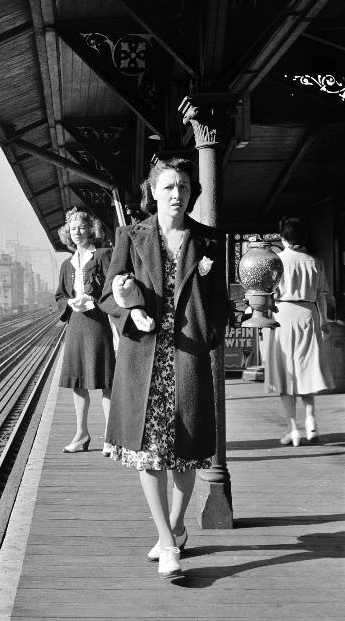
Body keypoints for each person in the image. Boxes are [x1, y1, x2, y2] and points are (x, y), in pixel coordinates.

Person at [100, 157, 229, 579]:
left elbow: (219, 302)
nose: (178, 194)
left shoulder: (209, 241)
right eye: (169, 186)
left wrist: (212, 332)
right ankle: (169, 543)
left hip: (188, 358)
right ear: (153, 192)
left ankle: (173, 527)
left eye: (185, 187)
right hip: (144, 360)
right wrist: (128, 314)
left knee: (185, 456)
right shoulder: (130, 236)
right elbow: (108, 296)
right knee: (150, 455)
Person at [263, 216, 333, 446]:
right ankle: (312, 422)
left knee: (285, 375)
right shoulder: (316, 262)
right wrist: (323, 321)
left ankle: (293, 430)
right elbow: (323, 295)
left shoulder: (276, 262)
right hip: (308, 314)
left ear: (283, 237)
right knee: (307, 371)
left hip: (282, 315)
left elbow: (268, 296)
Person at [55, 207, 115, 455]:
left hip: (98, 322)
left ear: (91, 229)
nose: (77, 232)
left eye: (81, 227)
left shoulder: (102, 255)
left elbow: (113, 287)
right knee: (78, 382)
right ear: (67, 233)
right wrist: (69, 303)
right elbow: (59, 295)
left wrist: (95, 299)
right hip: (76, 325)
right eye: (72, 228)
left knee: (104, 381)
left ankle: (111, 438)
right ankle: (81, 434)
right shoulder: (66, 264)